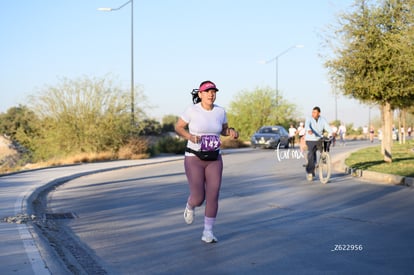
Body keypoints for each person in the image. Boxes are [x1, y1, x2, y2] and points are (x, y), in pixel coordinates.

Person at [175, 80, 239, 243]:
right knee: (198, 197)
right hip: (194, 157)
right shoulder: (192, 110)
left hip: (214, 158)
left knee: (213, 194)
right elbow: (178, 127)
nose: (211, 94)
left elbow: (223, 129)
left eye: (214, 91)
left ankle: (208, 232)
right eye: (208, 91)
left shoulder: (220, 111)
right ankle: (190, 206)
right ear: (200, 94)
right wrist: (190, 136)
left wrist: (231, 132)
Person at [304, 106, 332, 181]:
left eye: (315, 112)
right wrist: (309, 130)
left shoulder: (322, 120)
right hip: (310, 139)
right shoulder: (309, 118)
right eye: (312, 112)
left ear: (319, 113)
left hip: (319, 138)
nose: (313, 113)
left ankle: (324, 157)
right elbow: (307, 125)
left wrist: (332, 132)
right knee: (311, 154)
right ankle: (310, 172)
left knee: (326, 143)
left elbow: (327, 127)